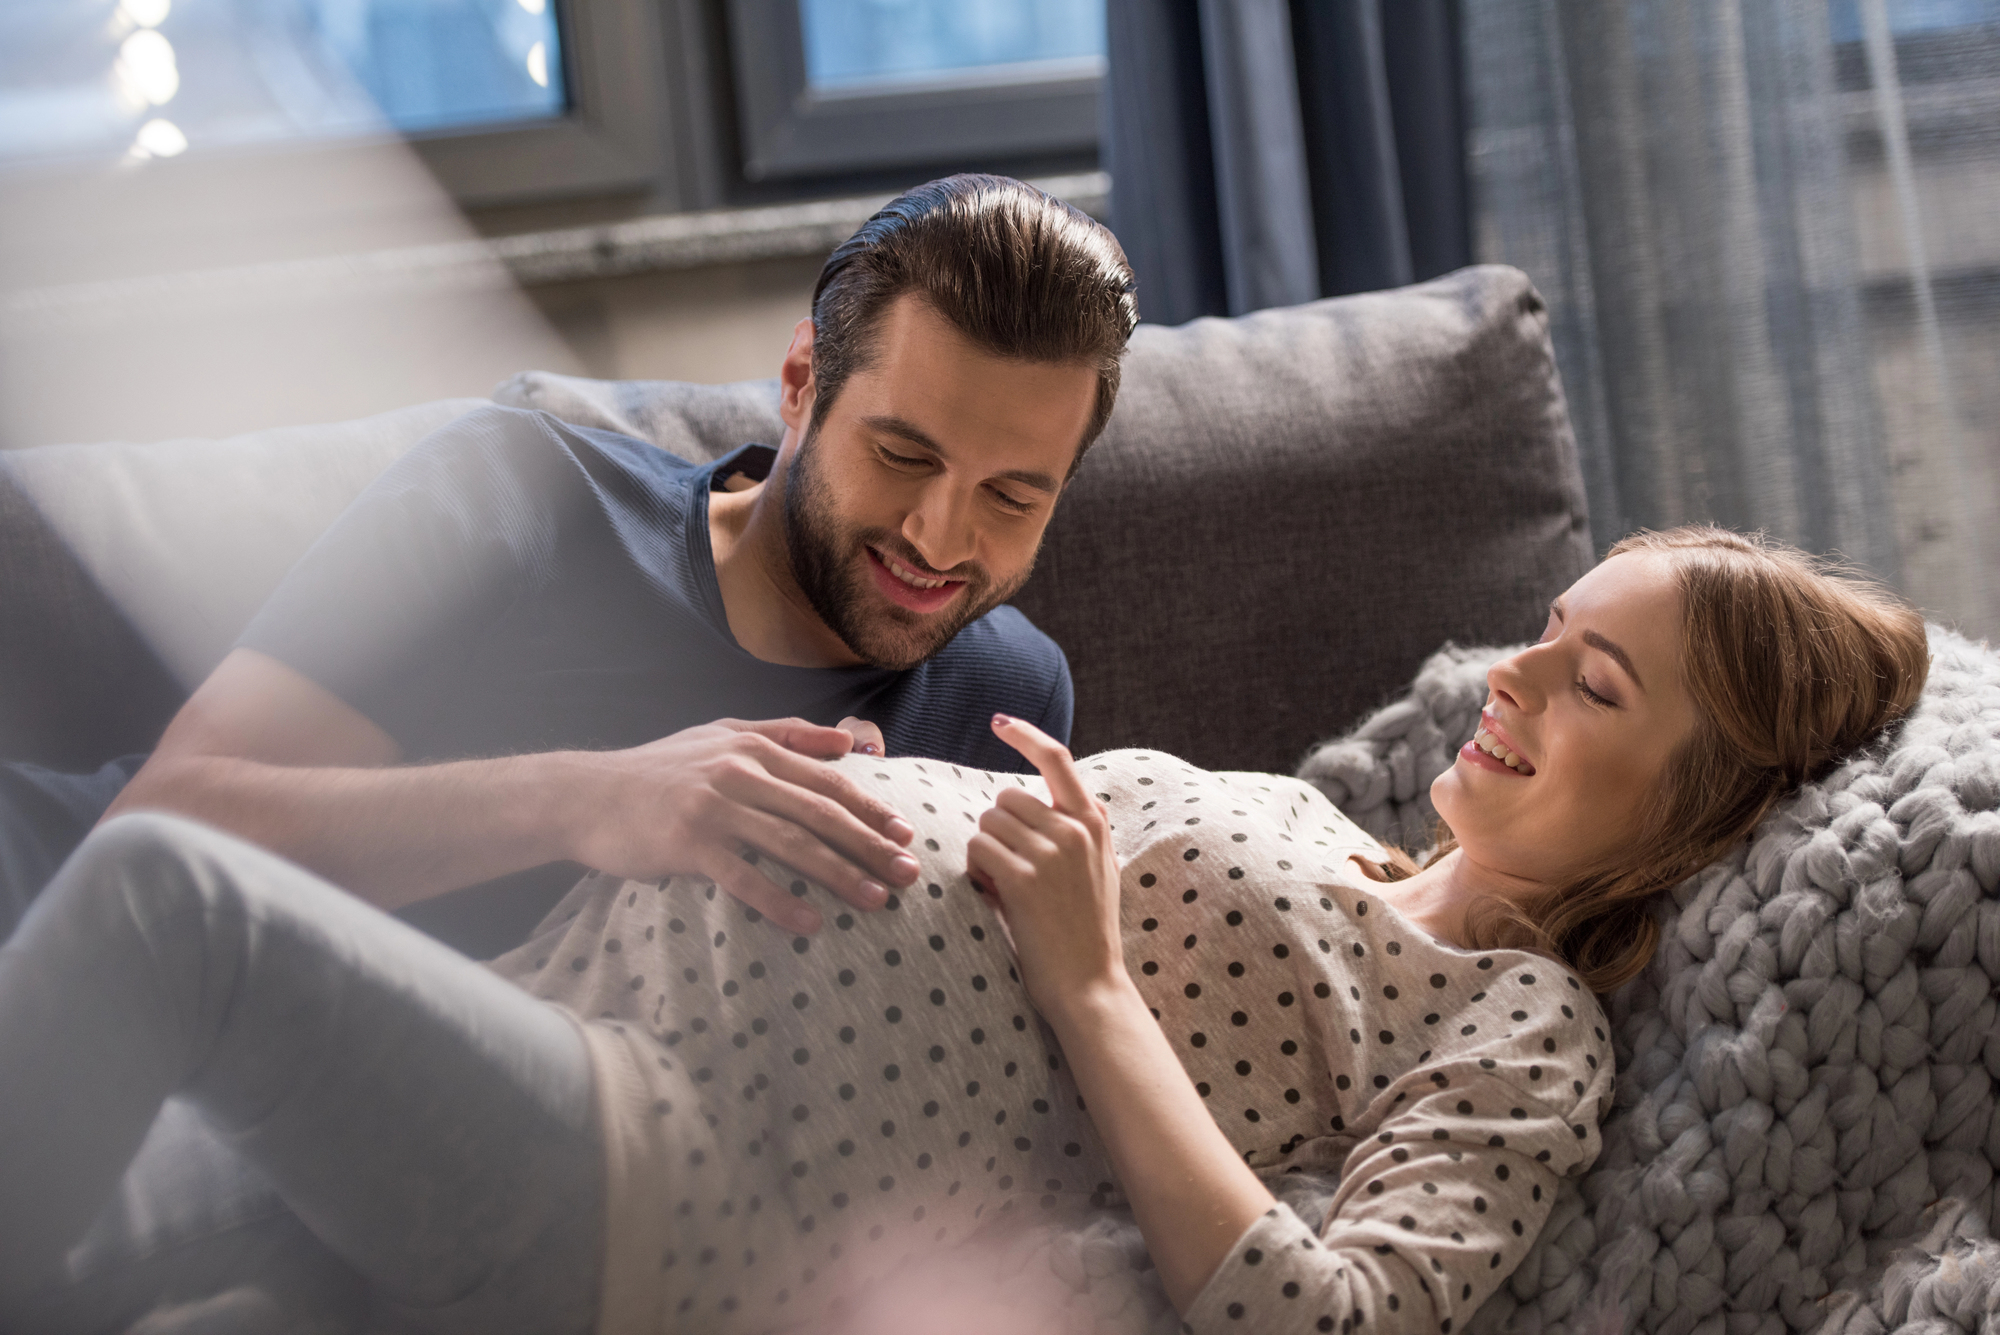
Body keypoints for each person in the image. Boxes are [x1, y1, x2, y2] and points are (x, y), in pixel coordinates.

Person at [0, 527, 1929, 1335]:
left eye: (1595, 684)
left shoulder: (1515, 1032)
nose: (1514, 675)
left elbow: (1319, 1320)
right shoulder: (1320, 831)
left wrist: (1090, 980)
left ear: (1702, 810)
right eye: (1548, 630)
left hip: (653, 1170)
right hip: (523, 1021)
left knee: (174, 903)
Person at [0, 172, 1139, 954]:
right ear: (800, 384)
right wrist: (591, 799)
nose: (941, 540)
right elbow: (157, 837)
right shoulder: (521, 497)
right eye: (900, 454)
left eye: (1010, 497)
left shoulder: (1006, 700)